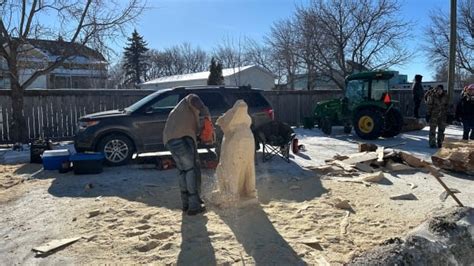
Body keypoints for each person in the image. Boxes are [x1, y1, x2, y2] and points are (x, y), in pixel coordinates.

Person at [163, 94, 213, 215]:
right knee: (191, 170)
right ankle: (194, 206)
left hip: (169, 140)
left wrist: (200, 134)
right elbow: (195, 100)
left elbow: (194, 132)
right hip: (182, 138)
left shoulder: (183, 113)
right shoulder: (191, 98)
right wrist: (206, 112)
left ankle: (186, 204)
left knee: (183, 171)